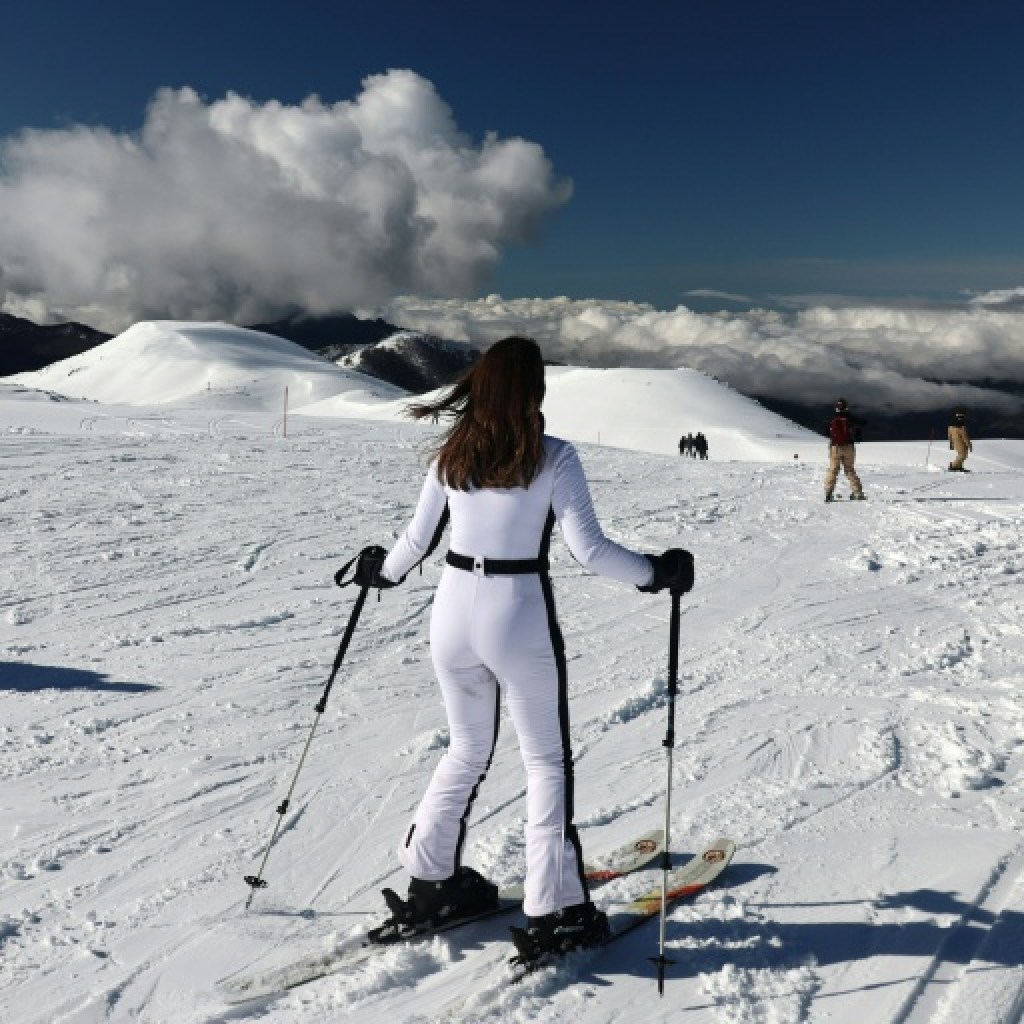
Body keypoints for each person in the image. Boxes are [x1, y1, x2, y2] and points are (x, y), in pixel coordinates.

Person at [352, 337, 690, 963]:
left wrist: (380, 572)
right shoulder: (553, 457)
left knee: (465, 750)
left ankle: (430, 883)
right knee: (545, 764)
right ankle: (553, 910)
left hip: (451, 613)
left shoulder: (451, 456)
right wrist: (656, 573)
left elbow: (414, 544)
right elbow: (589, 551)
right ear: (533, 390)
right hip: (517, 614)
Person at [824, 398, 866, 501]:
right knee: (849, 469)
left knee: (833, 469)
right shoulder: (850, 417)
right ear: (846, 407)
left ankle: (828, 492)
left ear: (836, 407)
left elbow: (826, 432)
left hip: (835, 447)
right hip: (849, 447)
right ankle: (857, 492)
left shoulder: (832, 418)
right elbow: (863, 423)